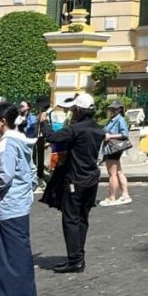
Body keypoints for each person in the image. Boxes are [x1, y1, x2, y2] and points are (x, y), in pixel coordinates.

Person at [39, 93, 105, 274]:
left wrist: (44, 121)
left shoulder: (75, 129)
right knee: (83, 218)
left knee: (70, 218)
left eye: (74, 109)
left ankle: (75, 259)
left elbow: (51, 137)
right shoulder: (98, 129)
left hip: (76, 179)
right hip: (92, 179)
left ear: (78, 110)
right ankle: (79, 256)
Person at [0, 103, 39, 296]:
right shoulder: (21, 138)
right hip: (19, 204)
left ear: (2, 122)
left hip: (7, 206)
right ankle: (25, 295)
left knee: (6, 254)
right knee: (19, 251)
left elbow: (5, 175)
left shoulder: (6, 143)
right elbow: (31, 171)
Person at [99, 101, 132, 207]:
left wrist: (110, 136)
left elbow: (124, 134)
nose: (111, 110)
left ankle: (111, 197)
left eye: (114, 109)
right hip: (112, 148)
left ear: (119, 109)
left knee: (112, 174)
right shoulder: (113, 119)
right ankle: (125, 194)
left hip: (113, 148)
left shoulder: (119, 120)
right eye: (111, 109)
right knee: (118, 172)